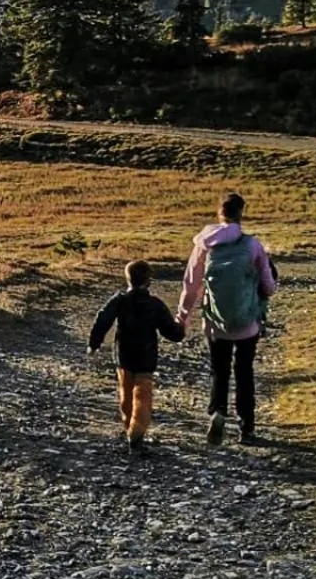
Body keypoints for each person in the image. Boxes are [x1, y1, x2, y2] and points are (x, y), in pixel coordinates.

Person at [178, 191, 278, 445]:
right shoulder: (252, 244)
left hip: (215, 322)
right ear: (241, 213)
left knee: (219, 370)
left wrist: (182, 317)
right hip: (247, 323)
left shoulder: (204, 243)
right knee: (244, 371)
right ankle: (247, 427)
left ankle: (218, 412)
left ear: (219, 213)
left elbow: (191, 284)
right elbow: (268, 285)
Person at [89, 259, 186, 453]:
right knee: (143, 393)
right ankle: (137, 431)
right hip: (146, 355)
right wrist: (181, 327)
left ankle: (129, 428)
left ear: (128, 279)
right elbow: (172, 333)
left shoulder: (120, 300)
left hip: (124, 354)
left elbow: (103, 318)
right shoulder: (155, 304)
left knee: (125, 392)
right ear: (148, 281)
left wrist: (94, 343)